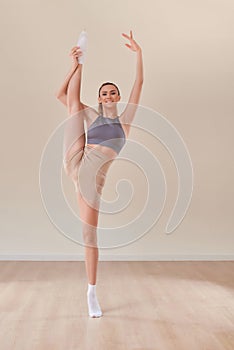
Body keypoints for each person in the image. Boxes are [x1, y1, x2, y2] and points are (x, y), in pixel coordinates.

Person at [55, 30, 143, 318]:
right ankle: (83, 60)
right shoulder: (91, 115)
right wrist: (73, 66)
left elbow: (139, 83)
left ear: (117, 96)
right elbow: (61, 95)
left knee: (88, 236)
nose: (108, 96)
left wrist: (139, 54)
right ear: (99, 97)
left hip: (91, 179)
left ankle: (91, 290)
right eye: (103, 93)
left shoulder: (124, 121)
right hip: (76, 159)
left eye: (112, 92)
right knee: (71, 107)